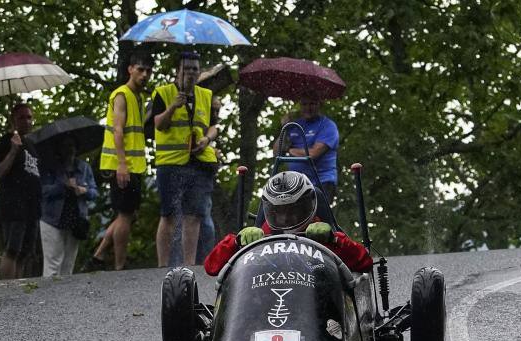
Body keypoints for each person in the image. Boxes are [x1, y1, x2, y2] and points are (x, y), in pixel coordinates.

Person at [204, 171, 372, 276]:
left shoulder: (326, 237)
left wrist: (334, 240)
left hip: (316, 303)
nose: (285, 218)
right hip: (259, 304)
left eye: (293, 210)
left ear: (309, 205)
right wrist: (236, 242)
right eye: (279, 212)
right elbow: (211, 267)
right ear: (269, 210)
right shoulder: (256, 238)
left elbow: (364, 262)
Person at [82, 52, 153, 272]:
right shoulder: (121, 94)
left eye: (148, 71)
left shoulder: (137, 97)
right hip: (122, 164)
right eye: (140, 69)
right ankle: (120, 265)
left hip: (132, 164)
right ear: (130, 69)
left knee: (127, 214)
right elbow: (118, 131)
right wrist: (122, 164)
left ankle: (99, 254)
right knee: (124, 215)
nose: (145, 74)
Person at [152, 51, 220, 267]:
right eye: (187, 69)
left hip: (198, 163)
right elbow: (158, 124)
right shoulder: (163, 93)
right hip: (170, 163)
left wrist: (207, 140)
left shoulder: (206, 96)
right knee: (169, 215)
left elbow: (213, 126)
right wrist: (173, 106)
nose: (191, 73)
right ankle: (162, 265)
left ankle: (189, 265)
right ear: (178, 72)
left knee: (194, 215)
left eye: (194, 69)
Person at [0, 102, 41, 279]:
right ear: (13, 120)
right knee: (12, 250)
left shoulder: (32, 146)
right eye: (22, 117)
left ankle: (18, 290)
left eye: (29, 117)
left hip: (32, 208)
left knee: (25, 253)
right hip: (14, 206)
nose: (27, 121)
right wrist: (13, 150)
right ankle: (7, 290)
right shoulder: (5, 142)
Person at [39, 138, 98, 277]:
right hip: (52, 219)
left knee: (68, 264)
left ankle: (65, 296)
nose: (69, 149)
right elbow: (42, 191)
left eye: (72, 145)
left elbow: (94, 192)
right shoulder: (49, 168)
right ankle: (48, 296)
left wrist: (84, 191)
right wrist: (62, 187)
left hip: (75, 220)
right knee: (53, 265)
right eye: (65, 146)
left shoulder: (84, 168)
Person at [273, 96, 339, 202]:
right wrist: (284, 128)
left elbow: (313, 154)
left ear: (320, 104)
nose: (308, 108)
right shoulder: (295, 125)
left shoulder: (328, 126)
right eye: (304, 104)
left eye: (312, 103)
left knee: (317, 217)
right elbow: (276, 152)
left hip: (322, 182)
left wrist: (290, 150)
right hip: (296, 183)